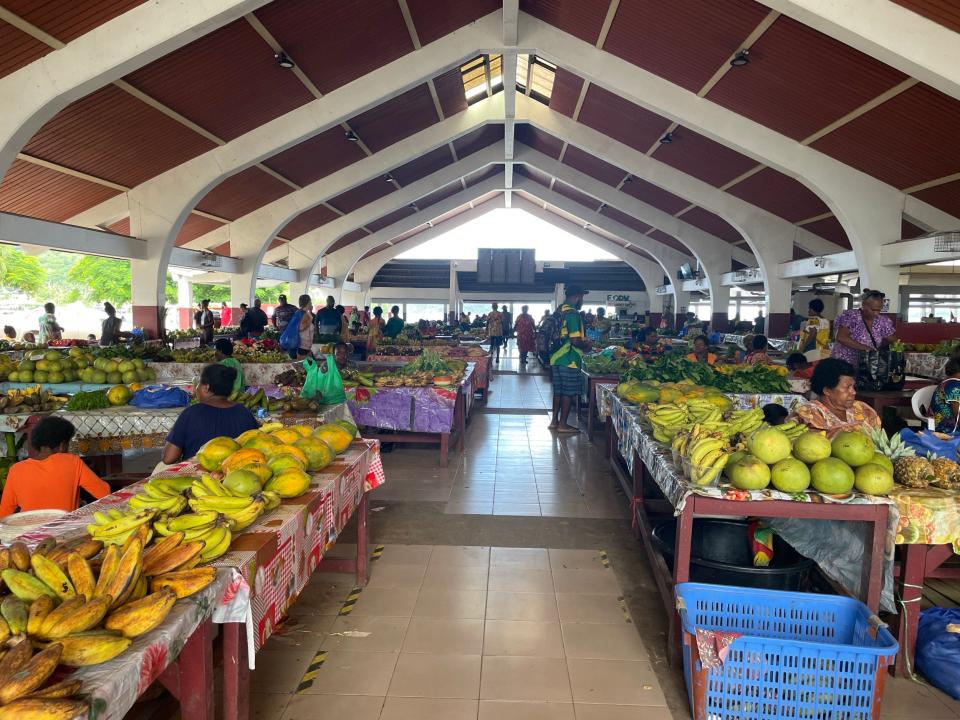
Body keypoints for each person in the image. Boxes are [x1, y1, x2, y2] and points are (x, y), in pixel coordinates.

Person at [0, 417, 110, 516]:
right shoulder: (72, 462)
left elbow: (4, 512)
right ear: (62, 445)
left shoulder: (16, 470)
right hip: (63, 533)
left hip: (30, 534)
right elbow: (104, 492)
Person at [162, 364, 259, 464]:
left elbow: (168, 457)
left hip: (196, 476)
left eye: (199, 384)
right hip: (235, 476)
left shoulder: (190, 414)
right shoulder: (244, 412)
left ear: (206, 387)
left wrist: (173, 433)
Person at [791, 358, 881, 438]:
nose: (854, 392)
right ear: (827, 390)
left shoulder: (863, 409)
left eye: (854, 387)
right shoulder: (807, 413)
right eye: (847, 388)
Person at [550, 285, 590, 433]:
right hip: (569, 359)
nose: (582, 301)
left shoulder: (560, 310)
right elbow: (575, 341)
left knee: (558, 391)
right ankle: (563, 425)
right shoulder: (573, 314)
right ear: (577, 297)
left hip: (555, 358)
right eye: (582, 297)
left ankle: (554, 421)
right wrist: (586, 346)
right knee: (568, 393)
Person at [832, 289, 896, 365]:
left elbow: (892, 339)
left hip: (866, 366)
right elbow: (842, 337)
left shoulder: (882, 321)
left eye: (879, 310)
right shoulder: (850, 316)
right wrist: (867, 349)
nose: (876, 313)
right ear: (864, 305)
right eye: (873, 309)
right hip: (844, 363)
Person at [930, 357, 960, 434]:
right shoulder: (956, 387)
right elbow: (958, 417)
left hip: (937, 426)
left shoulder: (947, 382)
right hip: (948, 431)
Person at [293, 294, 315, 359]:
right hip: (303, 347)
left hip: (303, 346)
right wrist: (310, 319)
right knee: (304, 367)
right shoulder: (304, 314)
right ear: (308, 302)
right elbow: (301, 328)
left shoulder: (299, 312)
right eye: (310, 301)